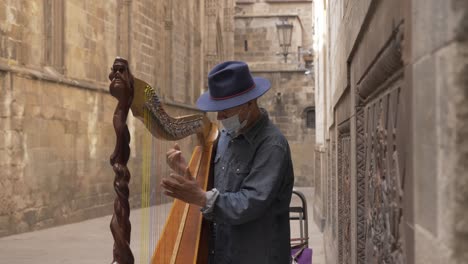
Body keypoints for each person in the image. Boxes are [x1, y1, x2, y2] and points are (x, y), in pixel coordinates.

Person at [161, 61, 294, 264]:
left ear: (250, 102)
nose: (220, 116)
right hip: (223, 252)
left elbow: (250, 202)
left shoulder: (272, 145)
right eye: (217, 109)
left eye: (226, 109)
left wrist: (203, 199)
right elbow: (211, 188)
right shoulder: (224, 137)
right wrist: (184, 172)